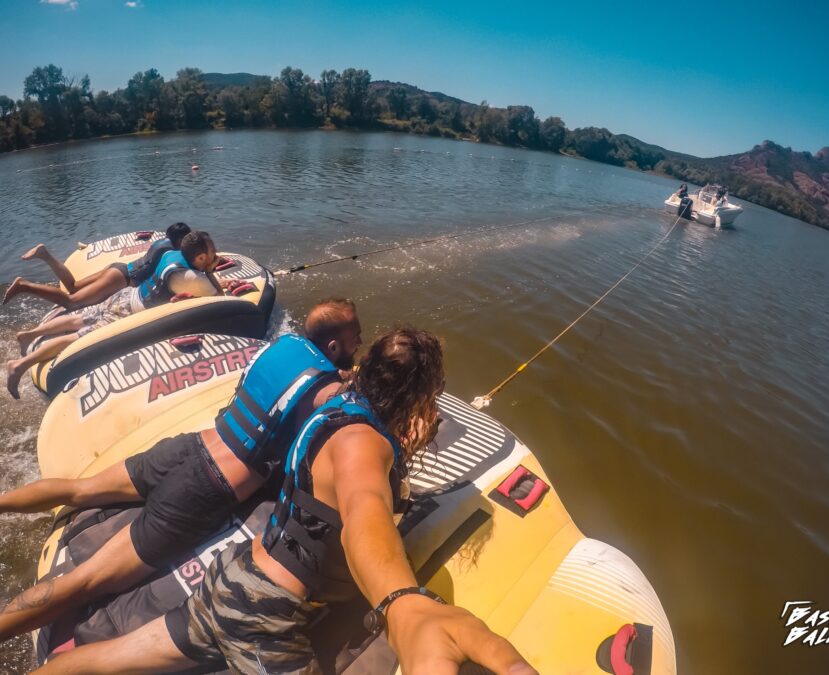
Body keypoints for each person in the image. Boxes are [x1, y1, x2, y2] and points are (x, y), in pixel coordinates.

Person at [31, 328, 537, 675]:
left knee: (110, 659)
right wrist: (403, 603)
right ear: (420, 395)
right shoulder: (366, 447)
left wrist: (401, 439)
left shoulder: (339, 407)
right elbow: (365, 514)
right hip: (266, 618)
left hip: (237, 579)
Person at [0, 299, 364, 643]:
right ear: (334, 346)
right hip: (204, 489)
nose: (360, 342)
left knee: (78, 489)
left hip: (184, 448)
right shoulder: (330, 391)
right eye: (355, 337)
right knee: (86, 582)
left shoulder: (283, 345)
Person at [5, 231, 221, 399]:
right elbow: (218, 298)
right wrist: (210, 271)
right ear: (201, 256)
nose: (216, 254)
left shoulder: (173, 254)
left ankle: (30, 334)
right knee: (77, 337)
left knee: (78, 319)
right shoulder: (190, 277)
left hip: (126, 295)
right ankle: (19, 366)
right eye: (212, 252)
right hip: (130, 311)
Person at [2, 223, 192, 309]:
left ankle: (45, 255)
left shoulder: (161, 242)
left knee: (73, 287)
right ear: (181, 239)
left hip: (119, 268)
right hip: (122, 278)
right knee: (72, 301)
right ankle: (24, 286)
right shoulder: (172, 250)